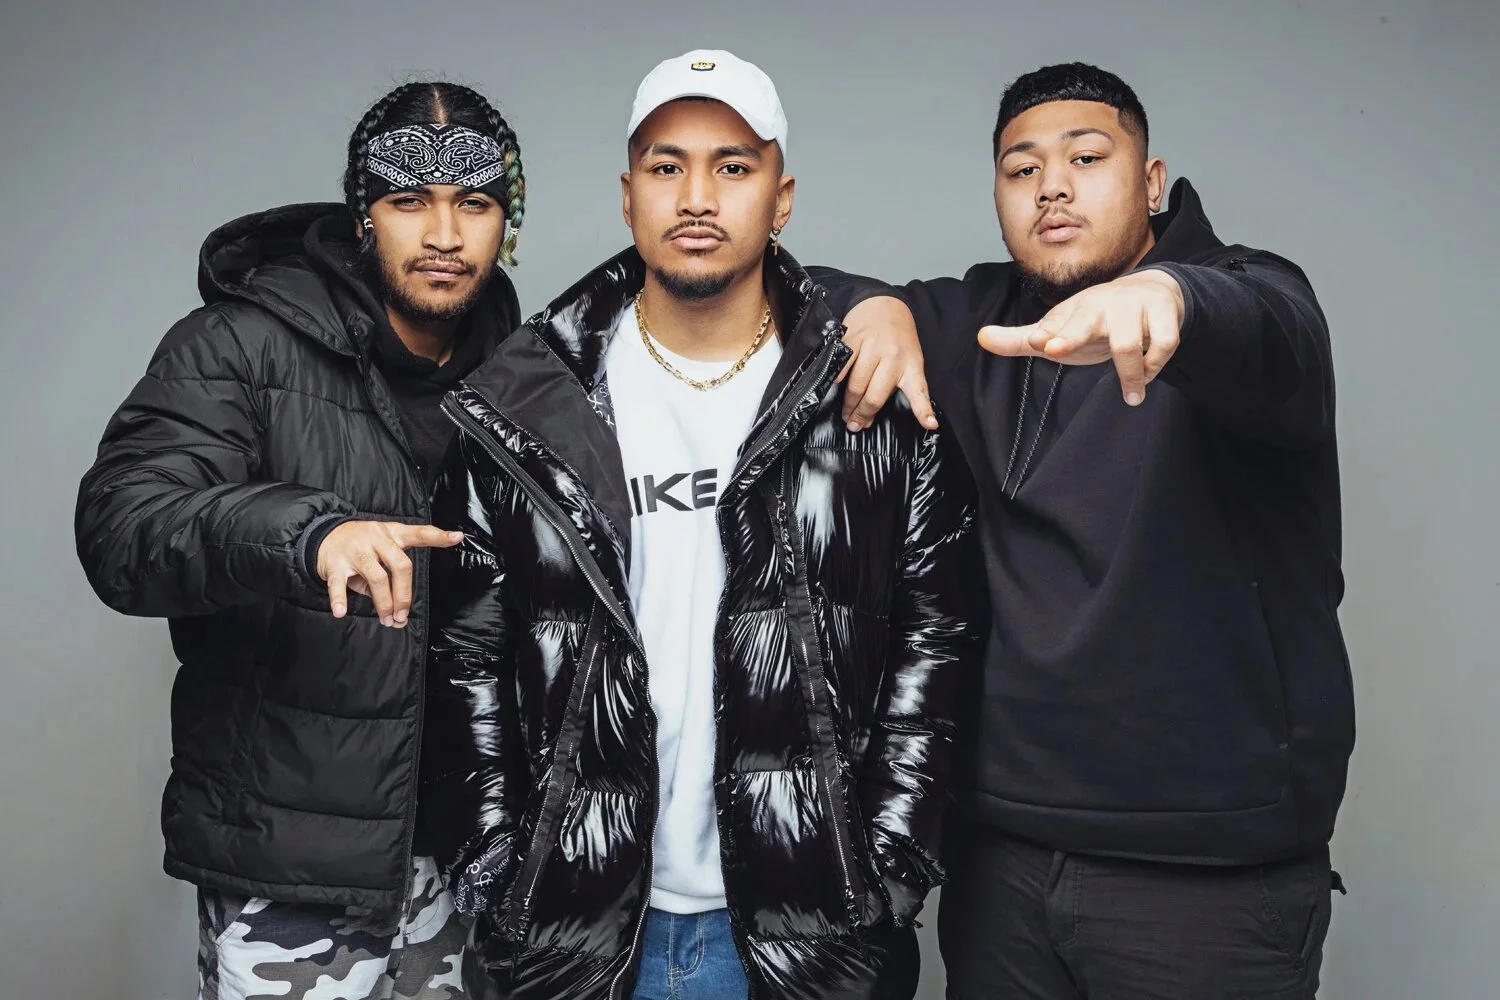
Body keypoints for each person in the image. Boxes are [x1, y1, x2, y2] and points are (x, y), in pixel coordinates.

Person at [418, 49, 982, 1000]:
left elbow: (939, 640)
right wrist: (497, 864)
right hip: (576, 924)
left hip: (809, 928)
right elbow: (467, 653)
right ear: (628, 194)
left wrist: (887, 865)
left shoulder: (874, 397)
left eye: (733, 166)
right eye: (667, 165)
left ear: (782, 195)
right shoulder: (523, 405)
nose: (697, 196)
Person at [822, 62, 1354, 998]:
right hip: (999, 861)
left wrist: (1173, 301)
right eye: (1021, 169)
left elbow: (1274, 332)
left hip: (1203, 878)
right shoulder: (975, 320)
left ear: (1151, 183)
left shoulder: (1244, 294)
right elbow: (794, 289)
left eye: (1086, 157)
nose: (1052, 185)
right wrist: (877, 309)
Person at [75, 81, 529, 999]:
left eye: (473, 204)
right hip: (294, 873)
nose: (443, 234)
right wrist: (306, 531)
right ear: (364, 214)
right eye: (409, 201)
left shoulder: (525, 379)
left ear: (505, 222)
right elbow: (122, 525)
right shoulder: (236, 345)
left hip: (474, 865)